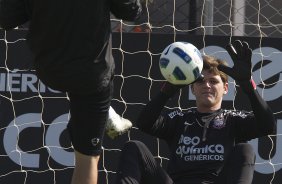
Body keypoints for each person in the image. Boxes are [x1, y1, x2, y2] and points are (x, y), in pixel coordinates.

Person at [0, 0, 142, 184]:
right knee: (88, 158)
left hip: (49, 68)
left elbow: (7, 18)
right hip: (91, 76)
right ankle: (104, 112)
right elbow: (131, 11)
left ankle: (103, 112)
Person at [115, 40, 276, 184]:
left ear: (225, 88)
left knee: (245, 149)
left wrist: (248, 86)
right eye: (200, 81)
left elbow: (268, 125)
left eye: (213, 81)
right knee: (134, 147)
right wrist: (167, 91)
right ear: (192, 88)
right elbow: (144, 123)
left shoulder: (233, 120)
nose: (207, 85)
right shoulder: (179, 118)